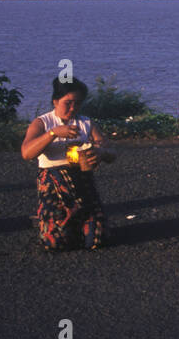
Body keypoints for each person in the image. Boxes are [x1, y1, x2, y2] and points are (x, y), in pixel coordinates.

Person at [20, 76, 115, 250]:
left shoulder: (86, 123)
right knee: (55, 244)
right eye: (68, 103)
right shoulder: (43, 123)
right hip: (53, 182)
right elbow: (26, 153)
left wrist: (100, 152)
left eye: (77, 103)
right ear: (55, 101)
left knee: (97, 240)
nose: (73, 108)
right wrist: (53, 133)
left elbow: (111, 152)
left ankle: (79, 224)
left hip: (82, 179)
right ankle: (50, 221)